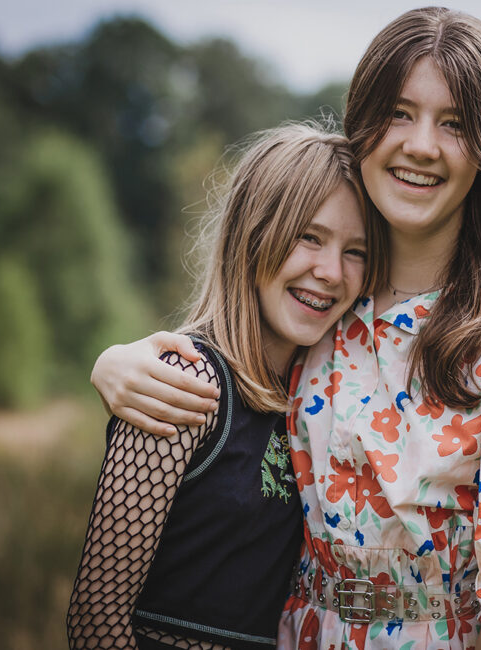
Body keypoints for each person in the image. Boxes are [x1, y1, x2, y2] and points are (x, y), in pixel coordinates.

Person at [91, 7, 481, 649]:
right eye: (399, 113)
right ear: (363, 125)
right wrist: (115, 361)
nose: (421, 145)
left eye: (454, 124)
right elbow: (235, 367)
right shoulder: (334, 299)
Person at [67, 123, 385, 649]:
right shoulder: (185, 382)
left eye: (357, 251)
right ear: (252, 234)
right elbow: (95, 620)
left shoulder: (321, 400)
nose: (331, 272)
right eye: (310, 237)